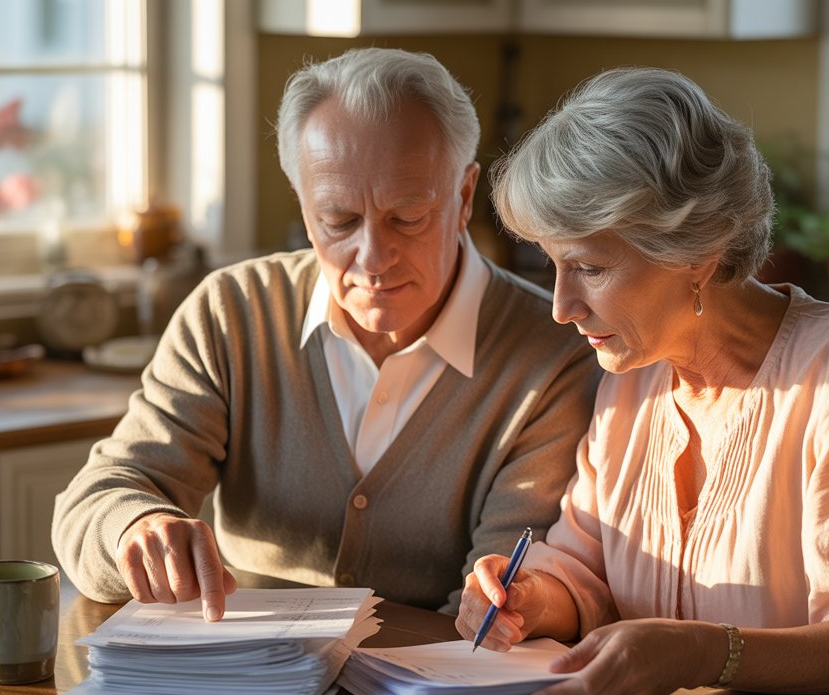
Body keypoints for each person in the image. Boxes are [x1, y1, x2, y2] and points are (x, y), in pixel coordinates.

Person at [456, 67, 829, 695]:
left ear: (699, 249)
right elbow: (585, 569)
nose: (561, 307)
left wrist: (700, 654)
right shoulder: (634, 383)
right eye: (552, 265)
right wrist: (530, 598)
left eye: (590, 267)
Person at [52, 48, 599, 621]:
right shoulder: (231, 314)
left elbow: (498, 600)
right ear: (304, 206)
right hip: (239, 687)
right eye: (338, 221)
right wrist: (135, 527)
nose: (373, 258)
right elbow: (96, 501)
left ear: (464, 198)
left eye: (406, 218)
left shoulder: (555, 354)